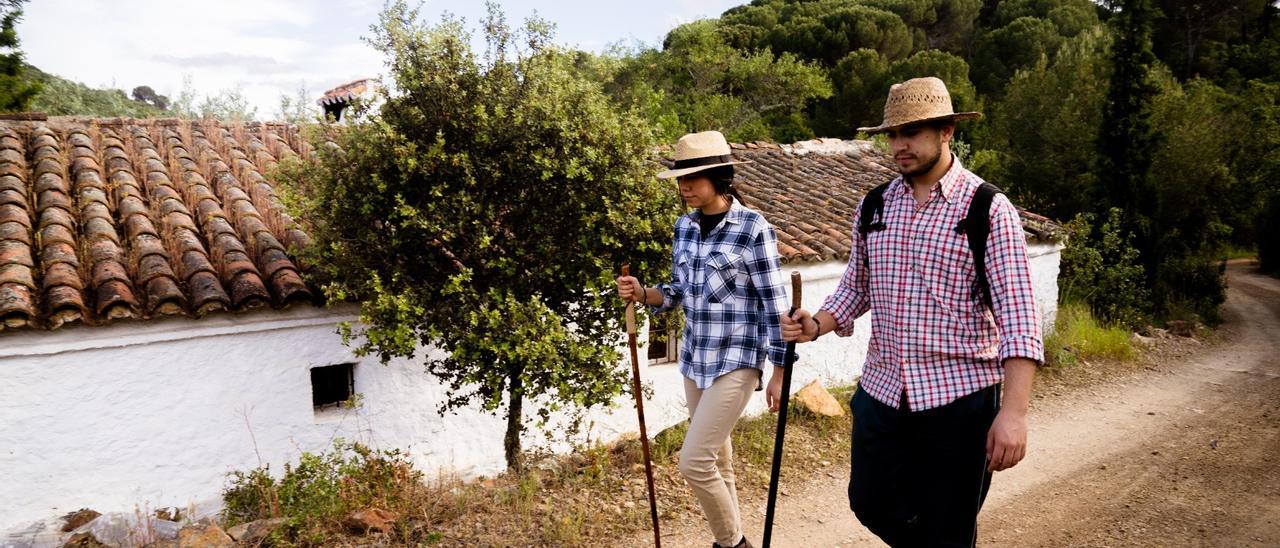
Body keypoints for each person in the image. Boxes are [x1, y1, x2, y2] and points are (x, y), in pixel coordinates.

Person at [779, 77, 1044, 547]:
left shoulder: (986, 210)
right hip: (881, 394)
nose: (899, 145)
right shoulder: (876, 205)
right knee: (870, 501)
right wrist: (816, 324)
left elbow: (1020, 320)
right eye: (893, 135)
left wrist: (1015, 414)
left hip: (959, 403)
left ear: (947, 132)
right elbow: (856, 288)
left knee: (948, 525)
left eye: (912, 133)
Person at [617, 130, 790, 548]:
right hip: (696, 358)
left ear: (720, 176)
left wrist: (780, 371)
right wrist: (643, 293)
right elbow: (677, 292)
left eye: (693, 177)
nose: (684, 186)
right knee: (719, 464)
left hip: (739, 359)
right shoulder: (685, 228)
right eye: (680, 178)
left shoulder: (753, 229)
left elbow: (775, 305)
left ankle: (731, 544)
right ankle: (734, 539)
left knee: (693, 461)